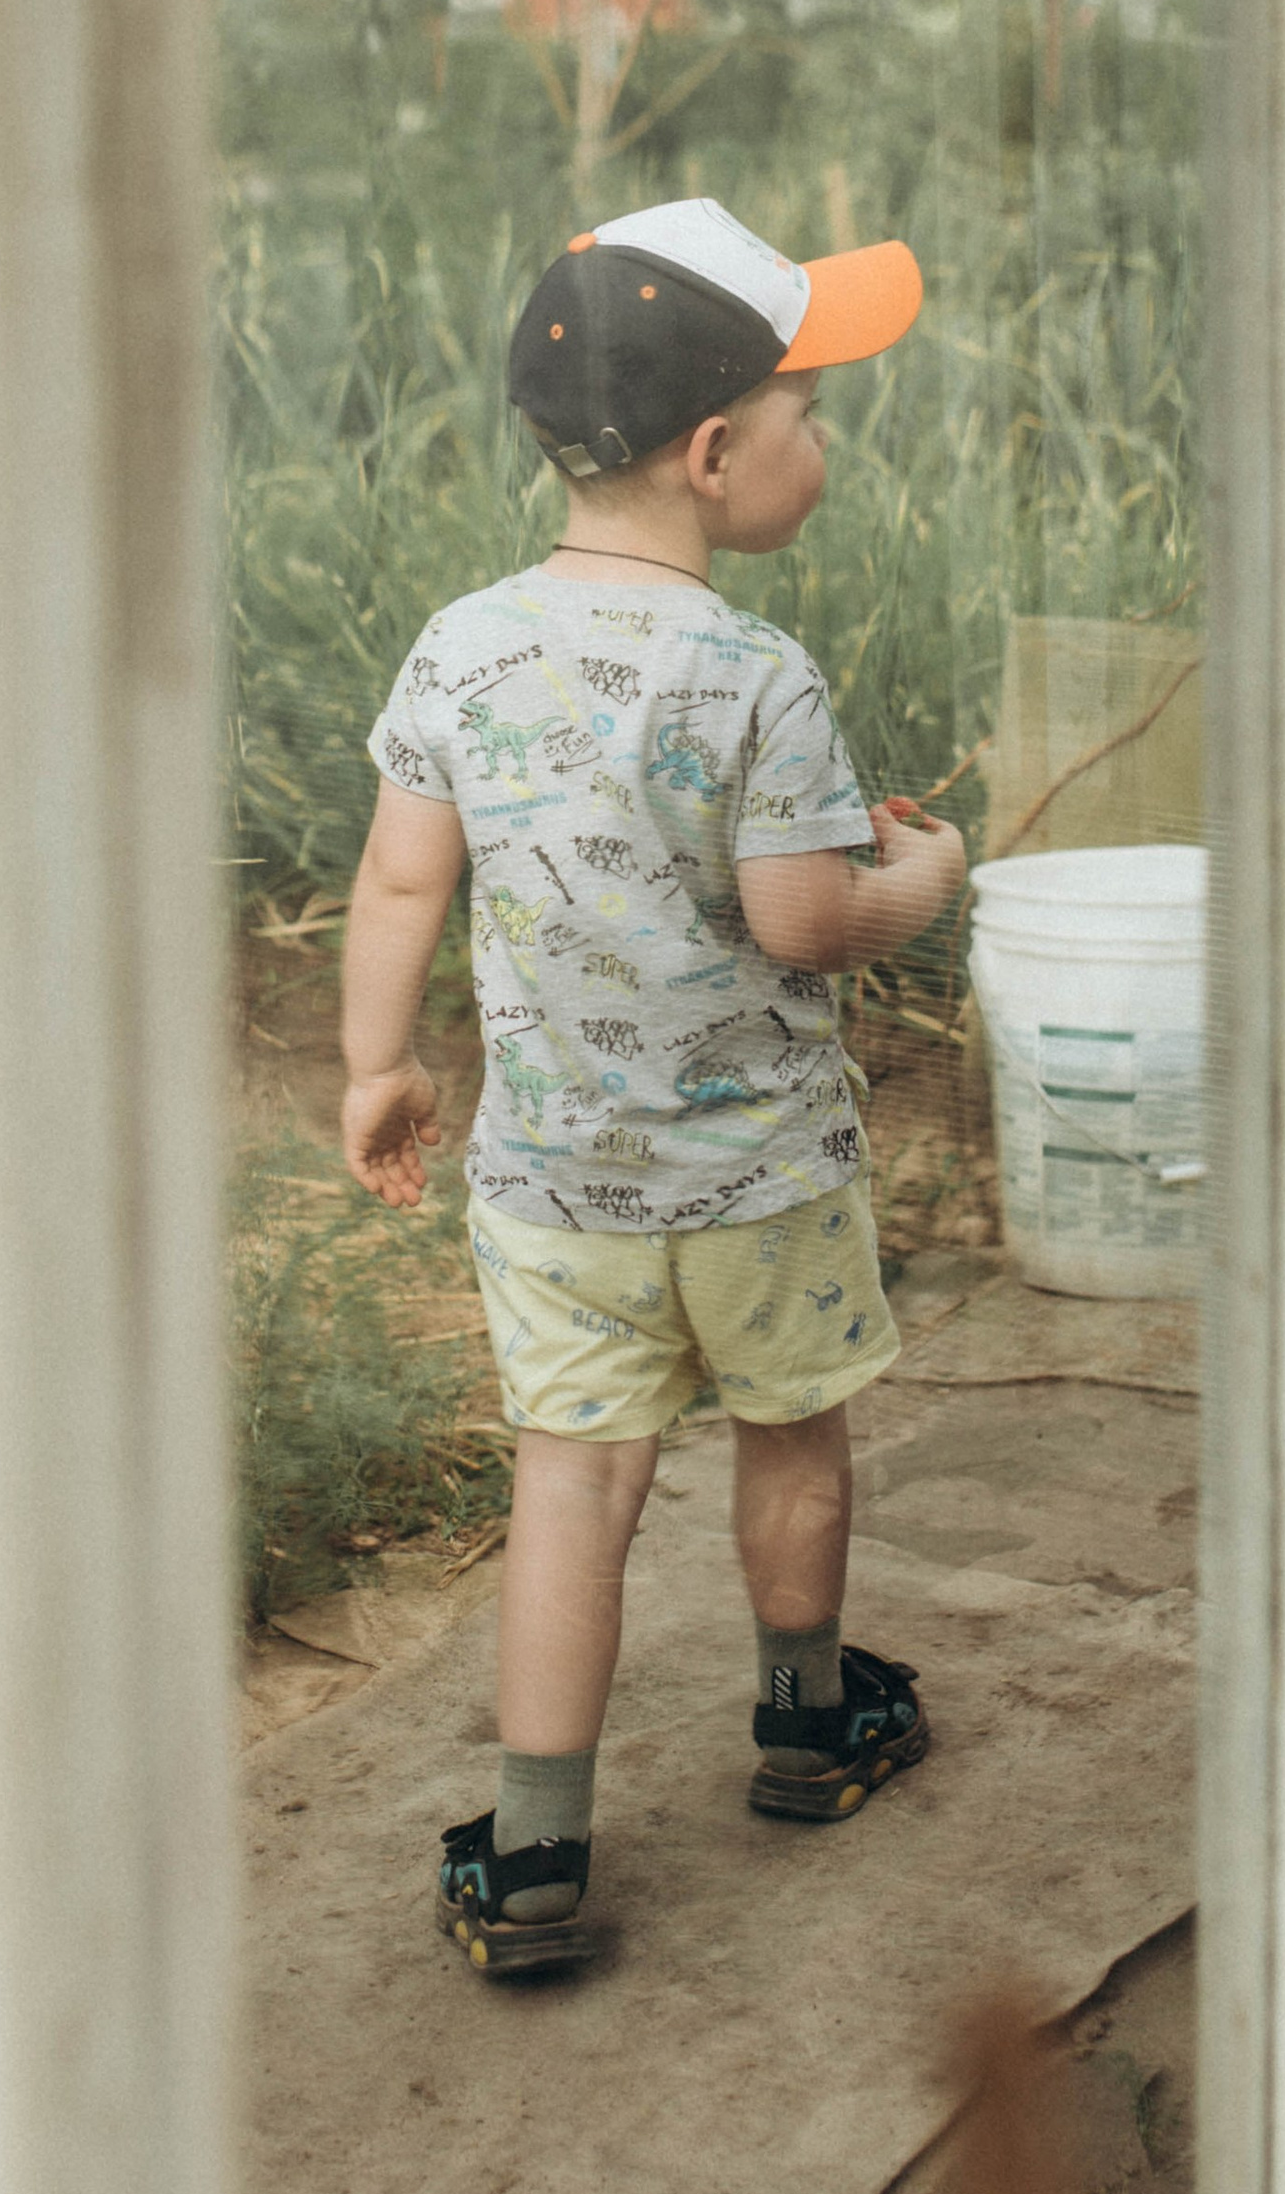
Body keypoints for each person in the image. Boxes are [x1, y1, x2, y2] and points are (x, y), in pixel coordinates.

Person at [338, 195, 969, 1977]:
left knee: (574, 1484)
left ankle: (535, 1849)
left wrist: (379, 1064)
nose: (823, 447)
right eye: (807, 415)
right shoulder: (759, 675)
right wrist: (926, 878)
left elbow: (399, 878)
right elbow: (805, 920)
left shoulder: (461, 648)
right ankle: (809, 1727)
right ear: (711, 454)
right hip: (764, 1181)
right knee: (795, 1439)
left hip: (558, 1189)